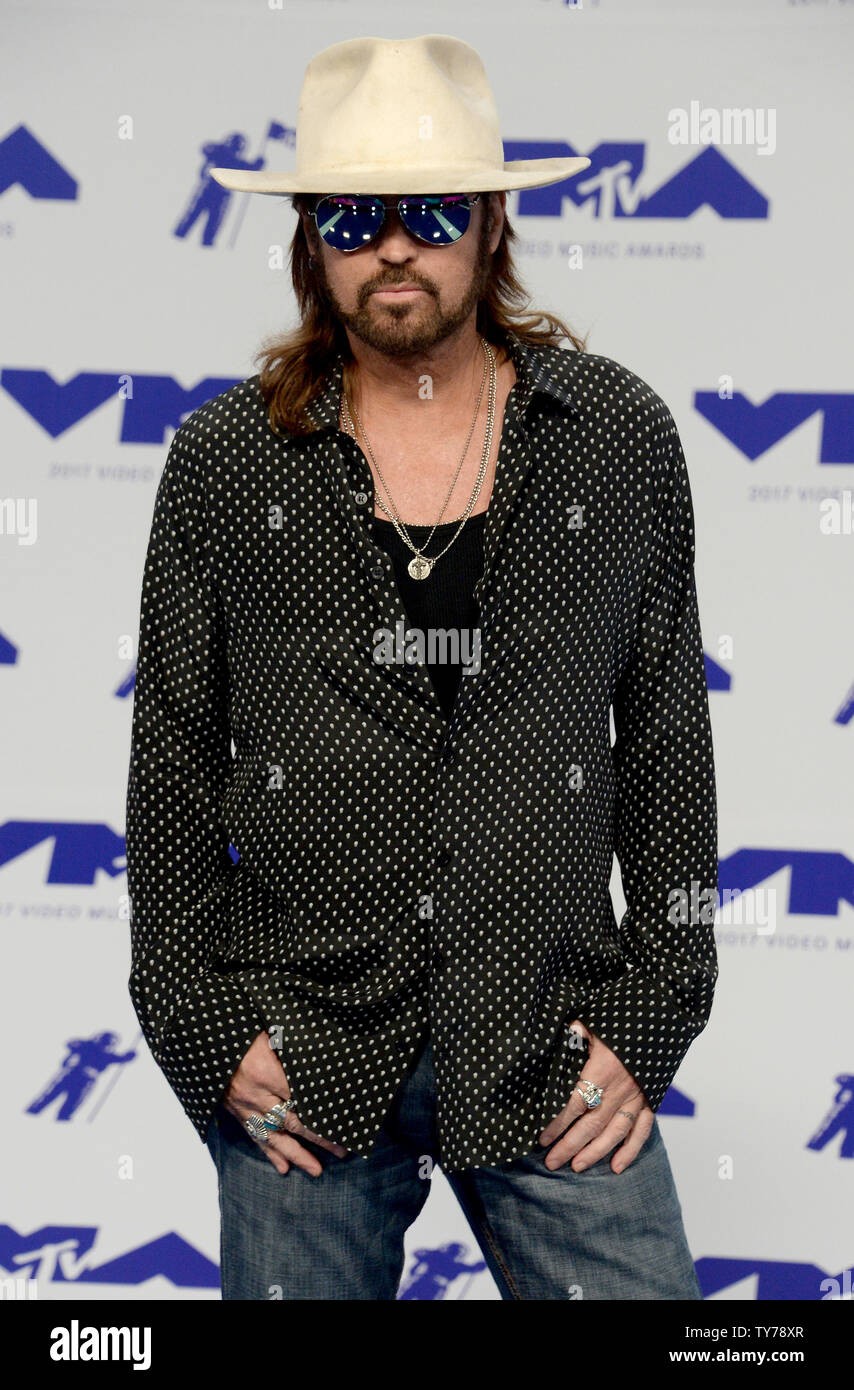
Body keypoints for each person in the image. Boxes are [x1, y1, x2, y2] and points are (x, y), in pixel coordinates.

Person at [126, 34, 719, 1301]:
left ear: (487, 227)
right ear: (311, 242)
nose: (393, 245)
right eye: (353, 215)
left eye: (430, 211)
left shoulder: (613, 436)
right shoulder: (227, 461)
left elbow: (668, 738)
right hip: (307, 1050)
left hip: (547, 1034)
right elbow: (171, 758)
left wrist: (658, 1009)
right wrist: (196, 1018)